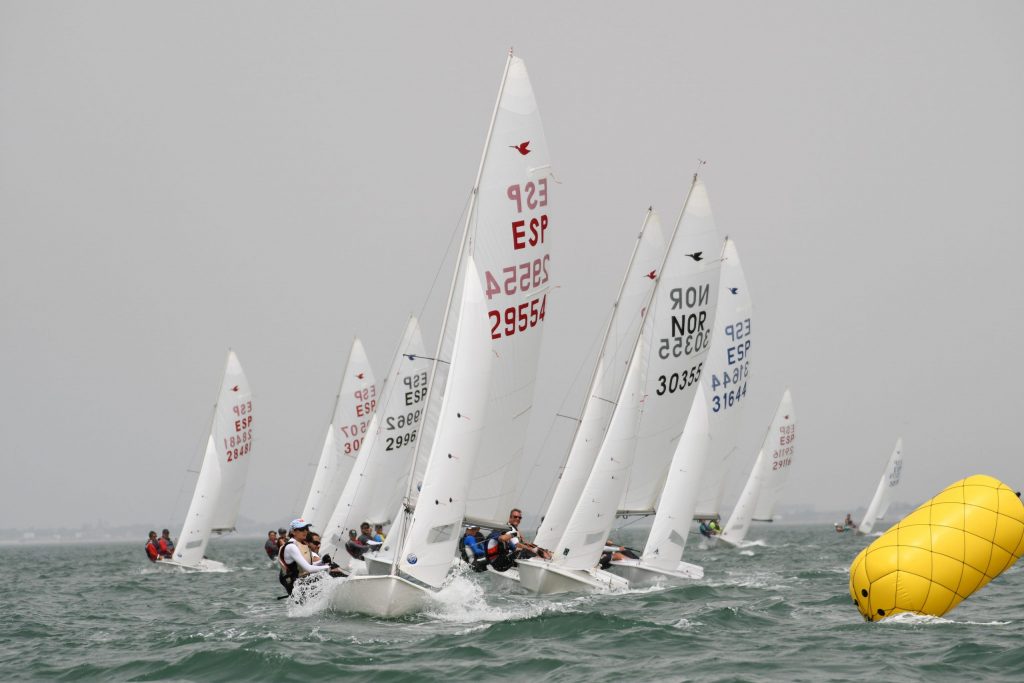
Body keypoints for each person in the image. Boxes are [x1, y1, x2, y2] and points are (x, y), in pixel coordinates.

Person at [278, 519, 343, 596]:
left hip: (301, 581)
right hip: (294, 584)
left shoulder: (300, 544)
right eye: (301, 529)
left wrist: (322, 561)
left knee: (333, 574)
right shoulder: (291, 547)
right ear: (293, 532)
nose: (305, 531)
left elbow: (304, 567)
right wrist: (327, 567)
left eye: (306, 529)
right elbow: (308, 568)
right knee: (330, 575)